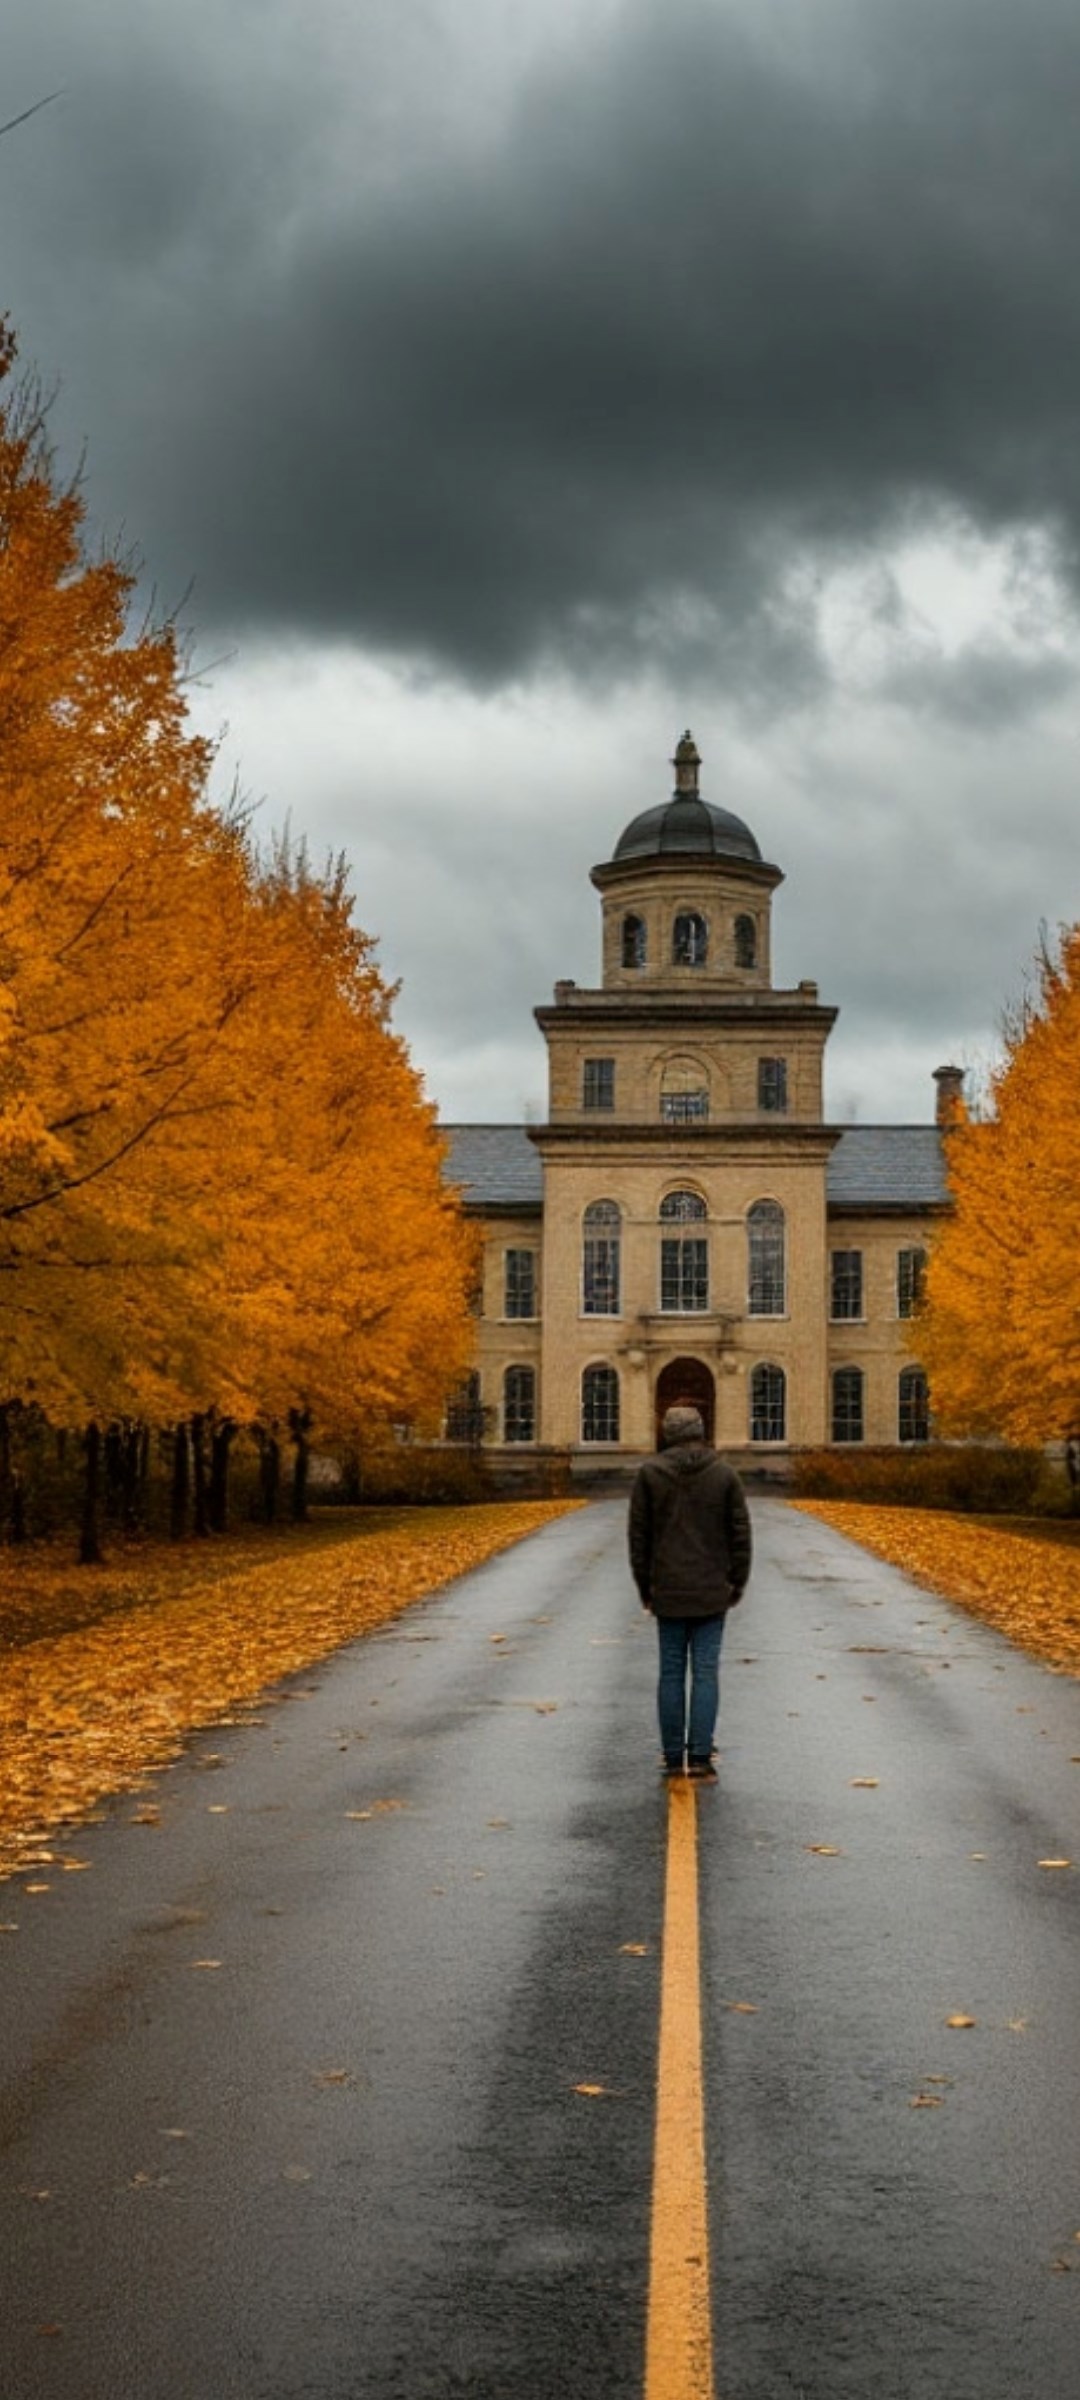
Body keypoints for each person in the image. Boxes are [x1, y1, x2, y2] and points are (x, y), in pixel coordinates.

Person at [629, 1404, 752, 1781]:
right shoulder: (724, 1474)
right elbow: (740, 1535)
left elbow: (639, 1539)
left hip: (668, 1589)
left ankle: (671, 1756)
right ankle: (699, 1757)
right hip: (711, 1590)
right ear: (701, 1431)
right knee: (705, 1673)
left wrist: (644, 1587)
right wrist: (737, 1582)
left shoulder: (650, 1475)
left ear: (667, 1433)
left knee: (670, 1673)